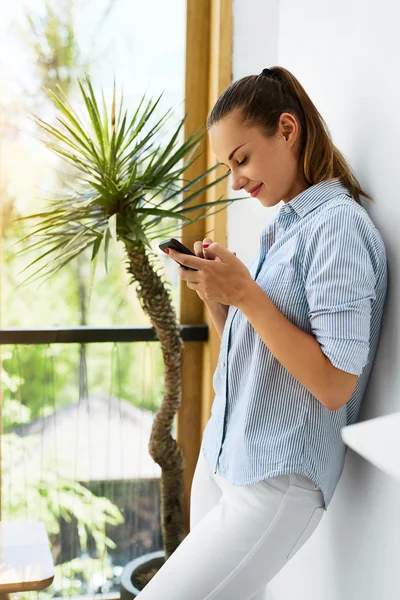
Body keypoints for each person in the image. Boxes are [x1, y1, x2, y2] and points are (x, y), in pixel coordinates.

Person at [139, 66, 388, 599]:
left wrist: (247, 292)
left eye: (242, 158)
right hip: (229, 457)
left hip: (276, 481)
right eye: (228, 166)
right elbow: (260, 349)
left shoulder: (337, 227)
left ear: (288, 129)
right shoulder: (285, 227)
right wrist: (218, 297)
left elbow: (335, 384)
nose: (236, 181)